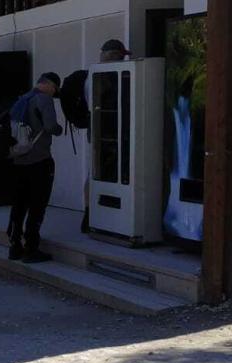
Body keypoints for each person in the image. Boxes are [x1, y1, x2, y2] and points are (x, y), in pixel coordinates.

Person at [7, 72, 63, 263]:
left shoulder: (21, 100)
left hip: (18, 160)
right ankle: (31, 248)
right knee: (37, 204)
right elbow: (50, 126)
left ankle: (15, 245)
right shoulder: (44, 100)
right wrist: (59, 129)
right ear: (49, 85)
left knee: (19, 204)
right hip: (39, 160)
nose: (54, 93)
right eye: (55, 89)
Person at [81, 39, 132, 233]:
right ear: (112, 55)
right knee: (104, 171)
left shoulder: (93, 75)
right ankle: (97, 215)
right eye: (121, 56)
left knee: (96, 171)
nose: (123, 60)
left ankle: (92, 214)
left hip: (99, 132)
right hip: (107, 133)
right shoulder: (103, 76)